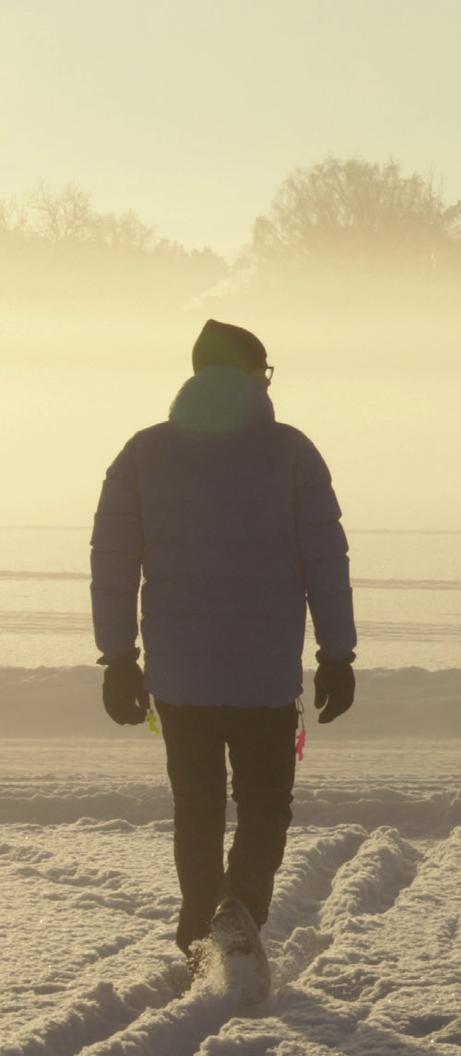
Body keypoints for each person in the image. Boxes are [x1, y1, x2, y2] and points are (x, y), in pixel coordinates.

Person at [90, 318, 357, 975]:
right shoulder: (292, 453)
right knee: (267, 803)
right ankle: (237, 908)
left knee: (197, 806)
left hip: (181, 679)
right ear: (250, 376)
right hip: (266, 678)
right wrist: (337, 655)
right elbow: (327, 560)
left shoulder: (142, 455)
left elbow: (114, 563)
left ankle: (197, 929)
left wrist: (119, 656)